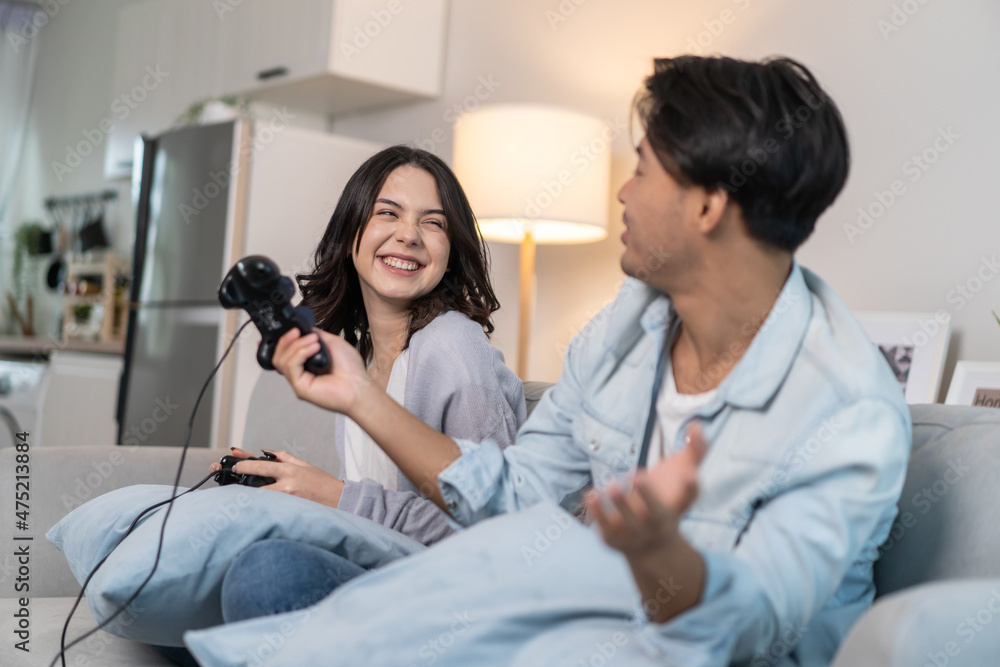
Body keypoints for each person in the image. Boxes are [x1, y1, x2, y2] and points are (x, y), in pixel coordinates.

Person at [260, 55, 909, 666]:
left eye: (643, 169)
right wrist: (359, 396)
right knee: (288, 596)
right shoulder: (620, 334)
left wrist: (660, 553)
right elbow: (513, 494)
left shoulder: (849, 405)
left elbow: (755, 624)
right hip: (590, 635)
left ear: (709, 205)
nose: (623, 193)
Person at [214, 145, 526, 620]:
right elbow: (382, 519)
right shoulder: (361, 357)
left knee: (267, 575)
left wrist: (335, 496)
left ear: (451, 249)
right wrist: (298, 488)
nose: (409, 235)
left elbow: (495, 526)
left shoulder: (452, 348)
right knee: (189, 590)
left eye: (433, 223)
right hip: (383, 573)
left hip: (449, 598)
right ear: (350, 231)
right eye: (388, 213)